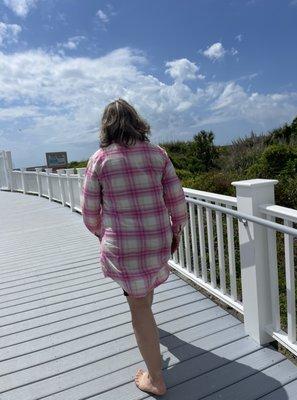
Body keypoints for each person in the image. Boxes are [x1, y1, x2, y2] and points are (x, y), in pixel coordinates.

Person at [81, 98, 188, 396]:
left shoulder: (99, 159)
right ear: (136, 121)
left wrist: (105, 234)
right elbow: (177, 201)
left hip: (125, 246)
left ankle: (155, 379)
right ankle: (151, 334)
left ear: (106, 126)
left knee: (138, 305)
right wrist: (175, 231)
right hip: (156, 240)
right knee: (143, 296)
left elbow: (89, 213)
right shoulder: (158, 155)